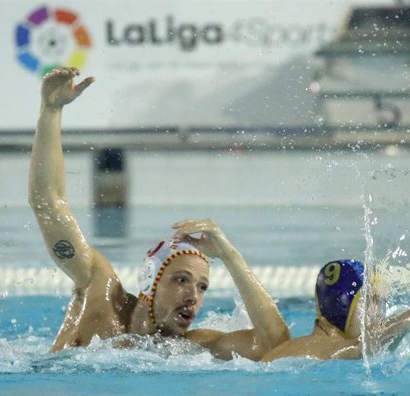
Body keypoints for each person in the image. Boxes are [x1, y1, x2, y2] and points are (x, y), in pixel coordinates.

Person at [28, 67, 290, 361]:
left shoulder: (190, 348)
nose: (194, 296)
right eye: (181, 280)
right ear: (150, 280)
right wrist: (51, 111)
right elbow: (49, 205)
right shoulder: (98, 291)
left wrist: (230, 256)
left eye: (202, 287)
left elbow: (274, 346)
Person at [261, 259, 410, 361]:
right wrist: (406, 319)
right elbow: (363, 348)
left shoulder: (287, 350)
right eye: (371, 303)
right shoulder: (321, 348)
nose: (379, 313)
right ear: (344, 308)